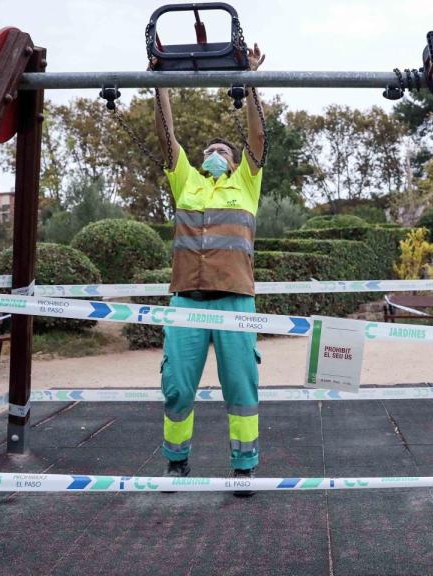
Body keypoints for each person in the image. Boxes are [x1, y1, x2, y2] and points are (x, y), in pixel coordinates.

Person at [151, 43, 267, 497]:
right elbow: (166, 135)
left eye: (223, 149)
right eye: (210, 149)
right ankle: (176, 463)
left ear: (236, 163)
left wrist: (252, 76)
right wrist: (158, 83)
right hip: (186, 302)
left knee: (241, 387)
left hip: (236, 300)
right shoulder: (188, 183)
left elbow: (258, 138)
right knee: (177, 389)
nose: (215, 152)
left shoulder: (246, 183)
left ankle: (244, 465)